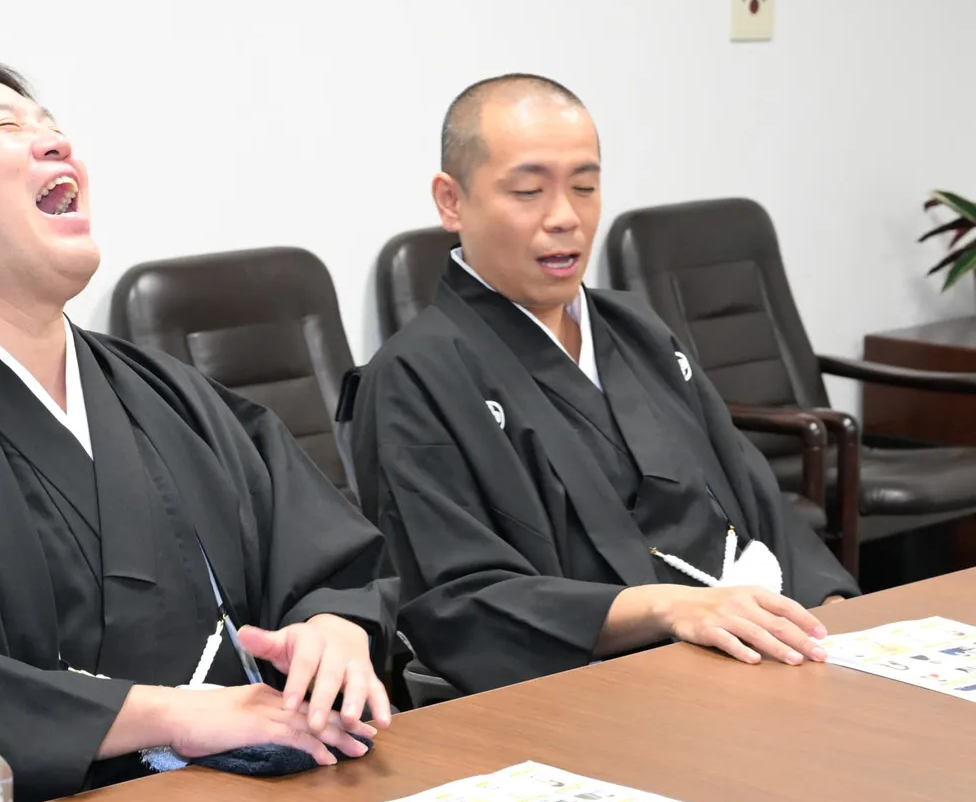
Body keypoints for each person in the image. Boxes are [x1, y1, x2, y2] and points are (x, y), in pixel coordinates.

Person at [0, 62, 397, 802]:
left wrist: (335, 629)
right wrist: (170, 717)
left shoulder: (169, 395)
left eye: (52, 124)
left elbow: (328, 555)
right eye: (8, 127)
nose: (55, 142)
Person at [350, 73, 858, 696]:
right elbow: (454, 603)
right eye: (529, 191)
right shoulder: (413, 376)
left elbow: (751, 495)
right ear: (451, 201)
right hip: (592, 691)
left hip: (742, 655)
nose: (565, 218)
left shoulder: (634, 327)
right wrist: (668, 610)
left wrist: (831, 609)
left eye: (585, 187)